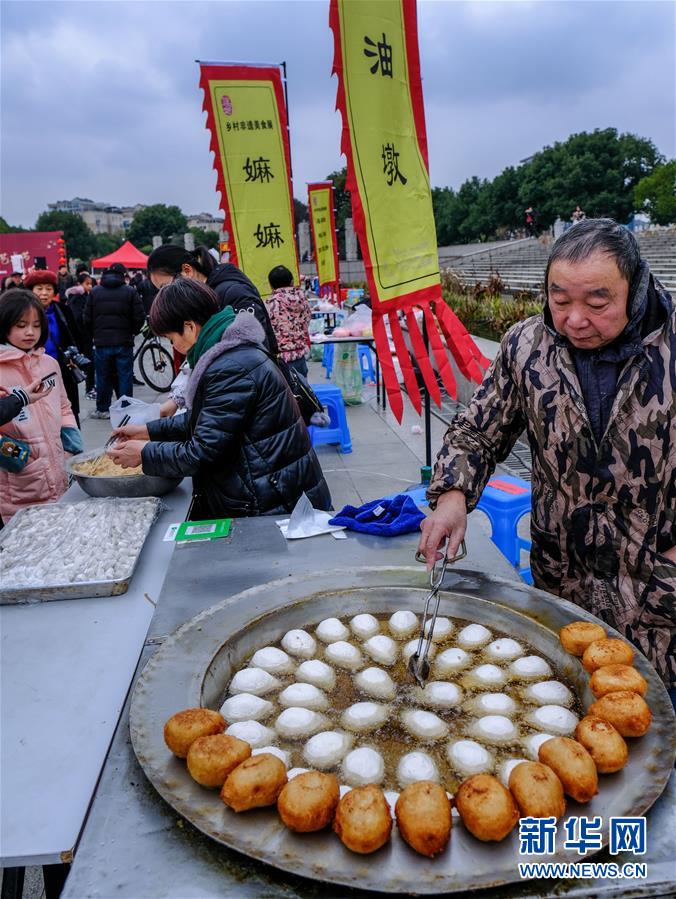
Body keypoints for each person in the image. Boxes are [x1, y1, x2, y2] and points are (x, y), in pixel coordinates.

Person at [418, 218, 675, 689]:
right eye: (560, 301)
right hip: (563, 588)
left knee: (651, 716)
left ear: (636, 289)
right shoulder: (527, 346)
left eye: (597, 303)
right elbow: (476, 431)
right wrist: (452, 496)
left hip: (658, 603)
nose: (575, 320)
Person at [108, 279, 331, 519]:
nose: (174, 346)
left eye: (171, 339)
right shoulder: (232, 352)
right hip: (273, 489)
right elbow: (209, 420)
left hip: (274, 504)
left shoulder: (230, 367)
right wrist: (147, 431)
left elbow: (203, 452)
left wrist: (144, 453)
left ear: (189, 327)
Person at [0, 290, 82, 523]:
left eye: (36, 325)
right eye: (21, 325)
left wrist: (71, 445)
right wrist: (18, 457)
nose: (30, 332)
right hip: (19, 484)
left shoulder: (49, 364)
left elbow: (64, 406)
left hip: (59, 471)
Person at [146, 244, 279, 354]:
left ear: (187, 270)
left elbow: (255, 354)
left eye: (166, 287)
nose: (165, 295)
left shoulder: (233, 293)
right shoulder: (205, 296)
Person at [83, 262, 145, 419]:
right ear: (123, 275)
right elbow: (139, 316)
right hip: (124, 341)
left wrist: (94, 334)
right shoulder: (130, 291)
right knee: (125, 376)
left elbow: (87, 318)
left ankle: (103, 408)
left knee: (102, 376)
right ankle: (125, 408)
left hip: (102, 342)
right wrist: (132, 332)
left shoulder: (95, 292)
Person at [23, 268, 85, 426]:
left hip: (62, 370)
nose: (44, 293)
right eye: (39, 289)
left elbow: (77, 337)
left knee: (68, 410)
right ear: (31, 291)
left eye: (48, 289)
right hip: (32, 373)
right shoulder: (22, 313)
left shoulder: (63, 310)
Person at [265, 265, 312, 376]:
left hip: (280, 360)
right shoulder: (303, 300)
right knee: (301, 386)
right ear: (292, 282)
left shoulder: (270, 304)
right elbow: (307, 320)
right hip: (300, 357)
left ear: (271, 285)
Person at [65, 272, 95, 397]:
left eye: (91, 284)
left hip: (83, 336)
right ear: (80, 284)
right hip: (83, 336)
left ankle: (90, 387)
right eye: (87, 284)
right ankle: (89, 389)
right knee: (88, 362)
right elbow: (78, 317)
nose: (90, 286)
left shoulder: (81, 296)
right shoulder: (78, 297)